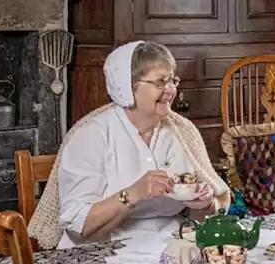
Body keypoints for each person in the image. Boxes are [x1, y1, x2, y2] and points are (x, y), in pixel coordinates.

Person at [27, 41, 230, 249]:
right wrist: (134, 193)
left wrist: (204, 204)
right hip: (101, 251)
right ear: (127, 88)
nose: (170, 90)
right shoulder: (91, 135)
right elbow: (77, 228)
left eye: (172, 81)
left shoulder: (183, 131)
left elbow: (203, 216)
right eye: (160, 82)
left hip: (170, 247)